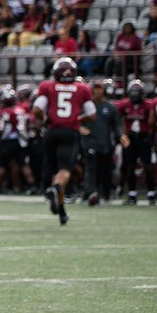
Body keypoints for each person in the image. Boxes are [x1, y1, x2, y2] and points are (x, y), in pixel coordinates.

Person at [33, 57, 95, 226]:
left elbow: (37, 109)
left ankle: (61, 211)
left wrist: (45, 119)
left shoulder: (48, 86)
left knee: (54, 174)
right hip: (70, 132)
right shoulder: (81, 88)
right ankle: (57, 192)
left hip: (52, 131)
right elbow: (92, 114)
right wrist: (78, 118)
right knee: (64, 172)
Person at [116, 80, 153, 204]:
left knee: (147, 165)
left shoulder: (148, 105)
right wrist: (122, 134)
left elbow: (152, 123)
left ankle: (151, 192)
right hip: (130, 138)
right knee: (129, 165)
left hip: (144, 137)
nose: (135, 95)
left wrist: (150, 136)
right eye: (134, 92)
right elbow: (117, 119)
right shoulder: (124, 104)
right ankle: (132, 193)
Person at [83, 79, 120, 205]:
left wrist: (120, 137)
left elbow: (116, 126)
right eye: (95, 88)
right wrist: (80, 128)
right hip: (90, 142)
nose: (97, 91)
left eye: (100, 88)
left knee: (106, 170)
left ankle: (106, 194)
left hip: (105, 143)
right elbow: (77, 120)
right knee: (91, 169)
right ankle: (91, 193)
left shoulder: (110, 107)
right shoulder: (87, 106)